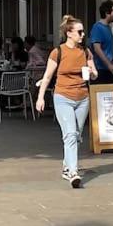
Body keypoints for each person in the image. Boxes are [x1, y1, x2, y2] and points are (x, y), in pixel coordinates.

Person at [36, 15, 97, 189]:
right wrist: (40, 97)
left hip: (83, 97)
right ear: (69, 33)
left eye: (83, 31)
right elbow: (47, 76)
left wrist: (91, 73)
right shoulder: (58, 52)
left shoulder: (86, 51)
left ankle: (66, 165)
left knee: (77, 135)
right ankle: (73, 172)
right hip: (63, 96)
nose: (83, 34)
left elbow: (95, 73)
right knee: (70, 134)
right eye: (79, 31)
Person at [90, 0, 113, 84]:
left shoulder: (108, 28)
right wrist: (109, 65)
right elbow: (97, 49)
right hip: (101, 70)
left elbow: (108, 50)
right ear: (107, 13)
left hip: (109, 70)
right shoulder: (97, 27)